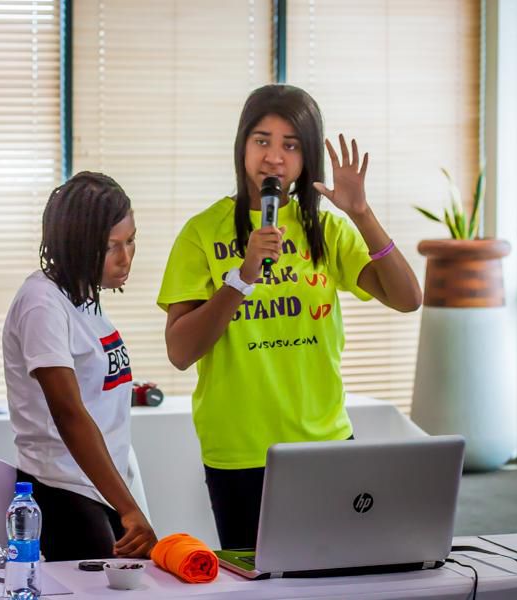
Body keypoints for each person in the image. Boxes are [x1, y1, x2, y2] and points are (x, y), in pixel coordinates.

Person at [156, 84, 423, 550]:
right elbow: (180, 352)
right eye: (262, 140)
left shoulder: (326, 228)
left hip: (323, 442)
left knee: (333, 578)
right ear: (242, 146)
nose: (274, 157)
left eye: (290, 144)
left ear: (306, 158)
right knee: (257, 581)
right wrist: (242, 277)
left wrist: (361, 213)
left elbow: (407, 298)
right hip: (238, 448)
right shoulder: (201, 233)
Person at [2, 172, 157, 561]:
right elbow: (69, 413)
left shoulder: (84, 298)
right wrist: (129, 510)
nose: (126, 258)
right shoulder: (42, 303)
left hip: (100, 489)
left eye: (131, 240)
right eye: (111, 246)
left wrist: (127, 499)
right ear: (76, 244)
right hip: (65, 495)